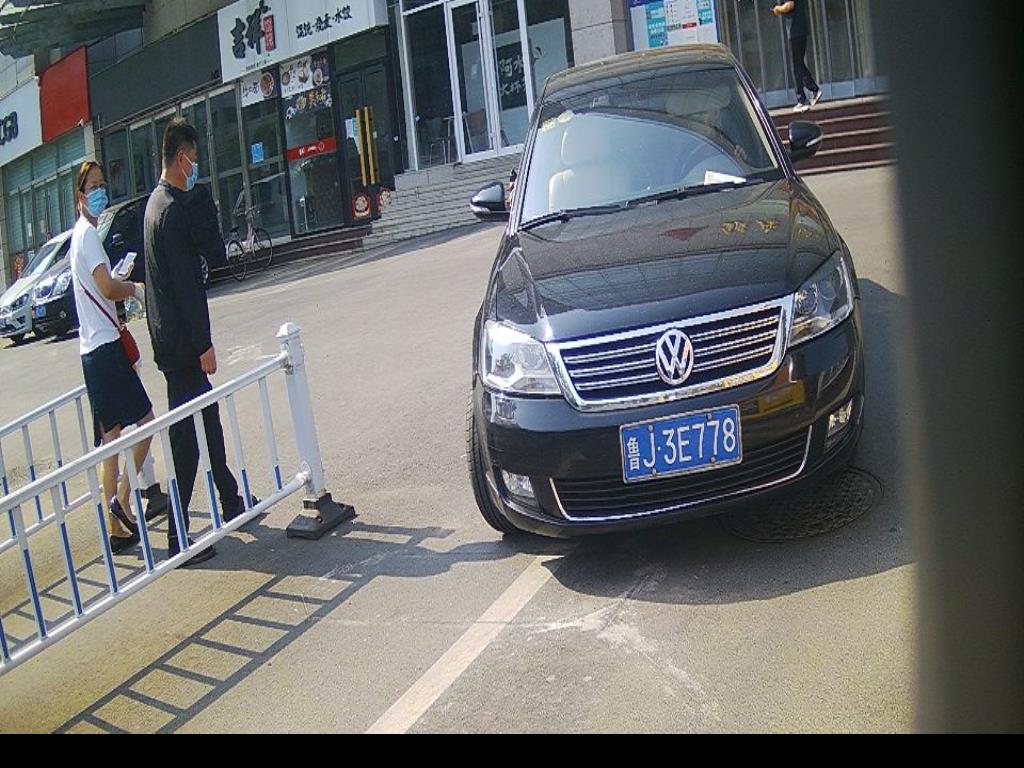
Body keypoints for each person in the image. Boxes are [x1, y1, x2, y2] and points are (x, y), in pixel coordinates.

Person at [144, 118, 257, 564]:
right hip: (182, 344)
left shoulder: (155, 205)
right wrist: (203, 344)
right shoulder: (171, 212)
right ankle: (178, 538)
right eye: (193, 158)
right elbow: (186, 286)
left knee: (207, 419)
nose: (196, 167)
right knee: (186, 440)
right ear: (179, 158)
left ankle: (230, 499)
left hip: (169, 339)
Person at [70, 161, 157, 554]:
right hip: (105, 349)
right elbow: (106, 286)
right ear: (80, 196)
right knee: (147, 423)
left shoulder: (79, 236)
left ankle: (116, 529)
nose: (101, 191)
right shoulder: (88, 236)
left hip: (92, 353)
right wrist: (133, 288)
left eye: (103, 184)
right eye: (93, 186)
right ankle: (121, 501)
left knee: (110, 441)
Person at [773, 1, 822, 113]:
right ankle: (813, 90)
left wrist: (778, 9)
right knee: (799, 64)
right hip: (801, 31)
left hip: (794, 31)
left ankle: (802, 99)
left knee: (795, 66)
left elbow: (789, 5)